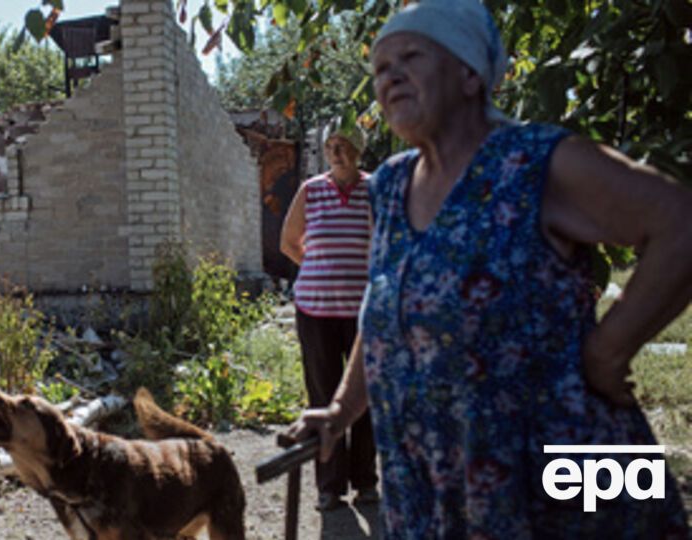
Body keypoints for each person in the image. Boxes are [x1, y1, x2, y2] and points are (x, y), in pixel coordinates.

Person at [287, 0, 691, 537]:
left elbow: (680, 223)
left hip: (560, 465)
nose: (390, 76)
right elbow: (384, 309)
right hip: (432, 475)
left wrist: (608, 350)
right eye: (381, 67)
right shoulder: (388, 185)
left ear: (469, 73)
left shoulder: (536, 160)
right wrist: (341, 408)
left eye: (411, 56)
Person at [280, 118, 378, 511]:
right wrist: (318, 267)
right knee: (323, 395)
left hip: (363, 314)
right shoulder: (311, 190)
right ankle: (330, 486)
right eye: (330, 146)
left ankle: (366, 481)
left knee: (365, 397)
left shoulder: (375, 189)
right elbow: (289, 242)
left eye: (343, 145)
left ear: (358, 149)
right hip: (315, 311)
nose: (335, 152)